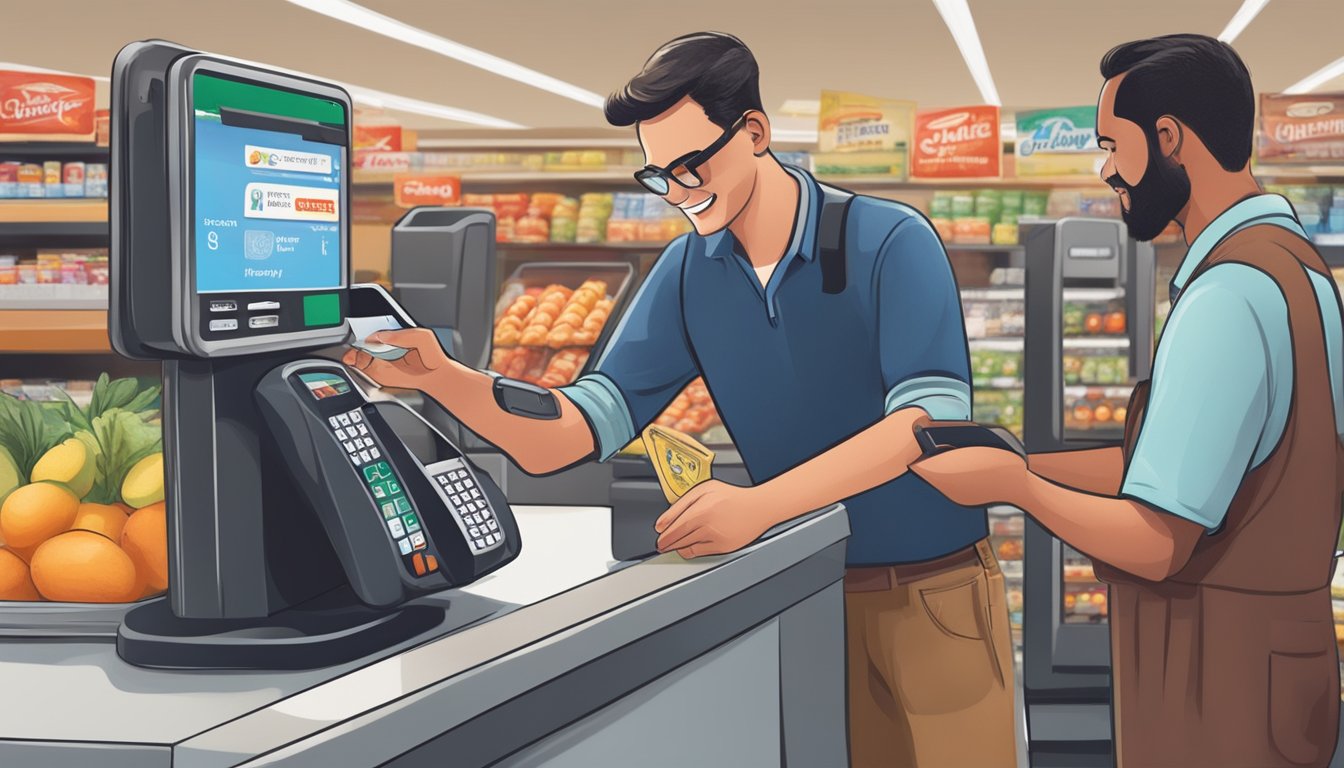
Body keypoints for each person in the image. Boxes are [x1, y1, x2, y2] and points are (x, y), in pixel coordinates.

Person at [346, 30, 1016, 768]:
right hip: (799, 591)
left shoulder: (888, 240)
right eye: (658, 175)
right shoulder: (689, 270)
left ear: (754, 134)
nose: (679, 192)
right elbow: (571, 431)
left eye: (692, 165)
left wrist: (760, 507)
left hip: (930, 596)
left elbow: (927, 426)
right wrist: (444, 379)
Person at [913, 34, 1344, 768]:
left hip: (1217, 688)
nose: (1105, 168)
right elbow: (1189, 472)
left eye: (1114, 144)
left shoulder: (1226, 298)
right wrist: (1024, 459)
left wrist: (1016, 489)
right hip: (1280, 674)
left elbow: (1156, 539)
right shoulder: (1299, 272)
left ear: (1170, 139)